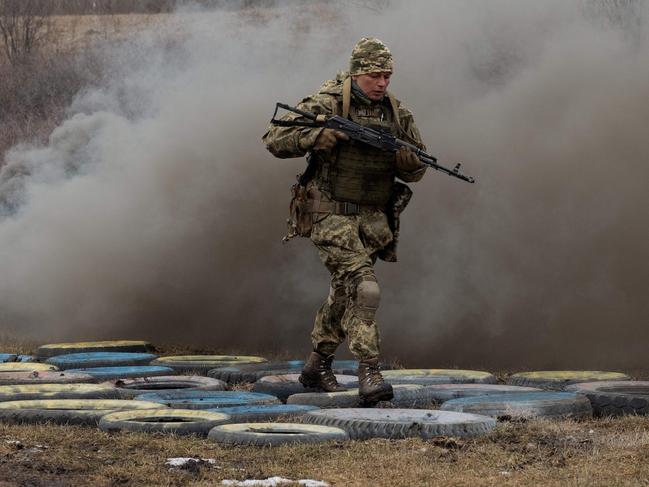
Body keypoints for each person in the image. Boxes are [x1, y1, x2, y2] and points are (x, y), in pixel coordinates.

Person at [262, 37, 427, 404]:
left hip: (370, 220)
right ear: (356, 73)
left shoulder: (397, 114)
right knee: (365, 288)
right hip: (328, 213)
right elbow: (274, 138)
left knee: (343, 292)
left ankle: (316, 364)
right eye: (374, 75)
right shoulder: (328, 102)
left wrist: (409, 166)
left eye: (387, 75)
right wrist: (316, 135)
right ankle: (370, 371)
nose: (382, 83)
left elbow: (418, 168)